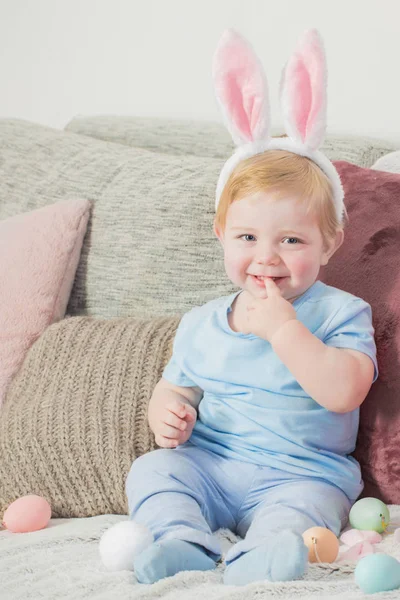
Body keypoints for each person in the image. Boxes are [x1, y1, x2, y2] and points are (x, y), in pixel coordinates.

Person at [124, 29, 378, 586]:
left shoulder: (341, 313)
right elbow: (180, 386)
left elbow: (343, 392)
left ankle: (263, 555)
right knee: (155, 469)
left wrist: (285, 329)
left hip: (302, 473)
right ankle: (181, 540)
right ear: (220, 235)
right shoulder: (202, 323)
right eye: (246, 239)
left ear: (330, 243)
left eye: (291, 240)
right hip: (210, 466)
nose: (266, 259)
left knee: (302, 512)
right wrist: (165, 412)